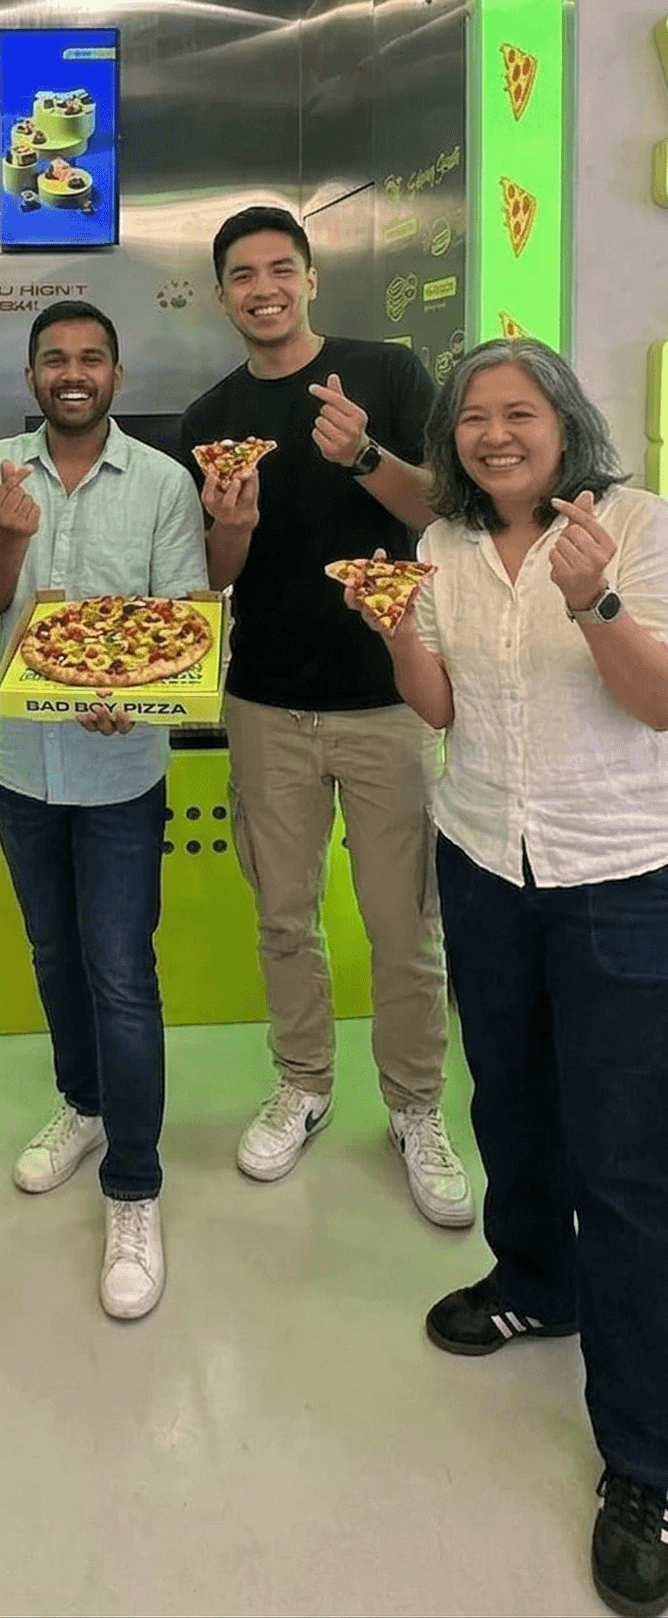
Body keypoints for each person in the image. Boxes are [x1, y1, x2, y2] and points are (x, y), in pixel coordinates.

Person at [347, 337, 668, 1618]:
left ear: (562, 422)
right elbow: (435, 708)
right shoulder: (439, 550)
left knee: (626, 1159)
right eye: (470, 417)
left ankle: (643, 1459)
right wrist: (388, 630)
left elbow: (655, 705)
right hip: (483, 859)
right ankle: (536, 1283)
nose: (489, 433)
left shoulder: (634, 525)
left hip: (619, 877)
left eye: (514, 412)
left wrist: (595, 605)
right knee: (511, 1110)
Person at [179, 205, 472, 1227]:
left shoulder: (382, 375)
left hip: (389, 697)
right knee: (281, 917)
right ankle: (302, 1084)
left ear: (308, 279)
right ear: (220, 297)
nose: (261, 288)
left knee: (403, 928)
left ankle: (416, 1109)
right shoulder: (207, 416)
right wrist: (231, 524)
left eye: (278, 269)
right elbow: (213, 581)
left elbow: (445, 506)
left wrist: (358, 456)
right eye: (240, 276)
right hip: (263, 701)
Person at [0, 301, 207, 1321]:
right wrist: (9, 541)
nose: (71, 372)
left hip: (119, 770)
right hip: (15, 758)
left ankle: (134, 1187)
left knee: (118, 970)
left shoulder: (161, 481)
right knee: (52, 955)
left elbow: (173, 621)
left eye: (89, 357)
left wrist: (136, 692)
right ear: (31, 377)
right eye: (53, 359)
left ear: (114, 371)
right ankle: (85, 1106)